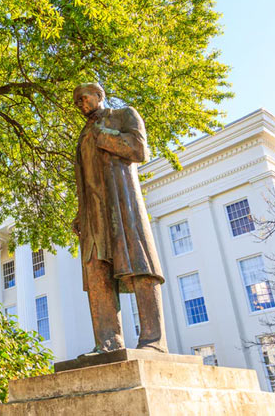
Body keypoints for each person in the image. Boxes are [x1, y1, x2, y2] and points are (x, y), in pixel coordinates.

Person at [72, 82, 168, 353]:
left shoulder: (124, 115)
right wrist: (81, 214)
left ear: (100, 95)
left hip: (122, 201)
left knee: (140, 264)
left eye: (84, 98)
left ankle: (153, 340)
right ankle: (108, 342)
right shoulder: (83, 135)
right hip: (94, 211)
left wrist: (104, 136)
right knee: (97, 271)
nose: (81, 104)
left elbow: (139, 149)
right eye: (77, 102)